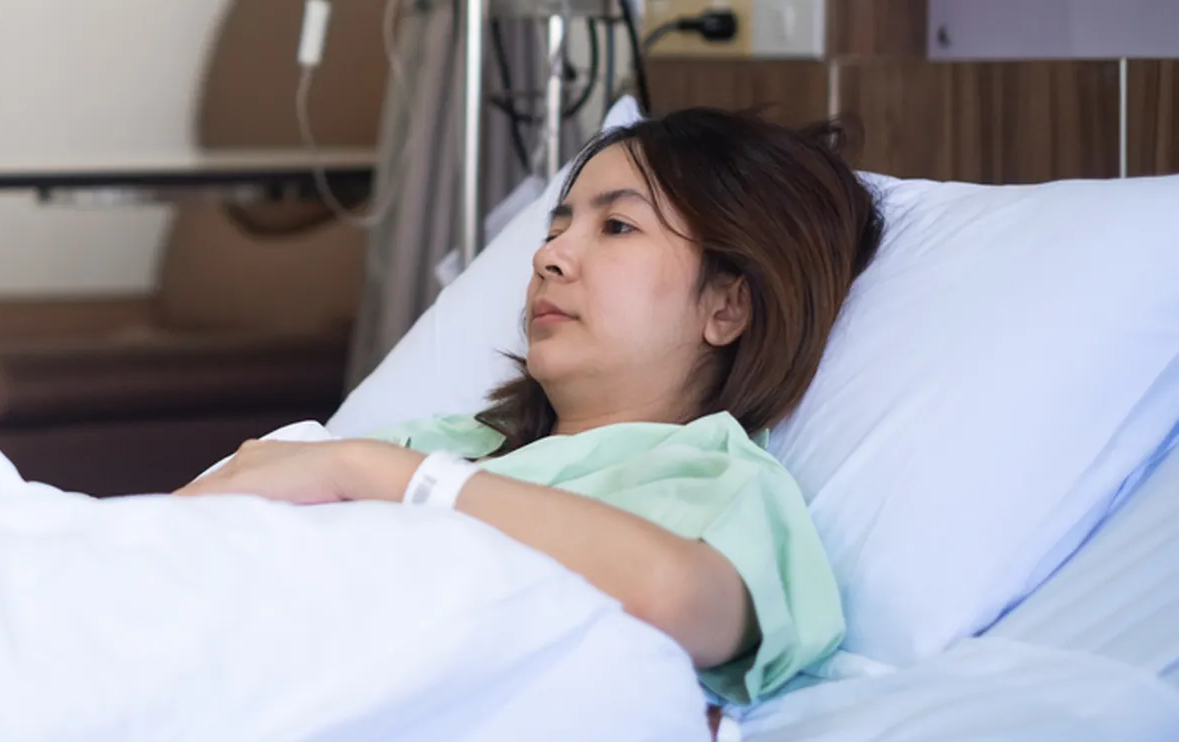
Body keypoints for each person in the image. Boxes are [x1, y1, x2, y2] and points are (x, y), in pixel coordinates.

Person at [178, 108, 884, 705]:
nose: (550, 256)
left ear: (727, 304)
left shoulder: (716, 481)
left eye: (616, 229)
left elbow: (676, 599)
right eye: (556, 228)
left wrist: (380, 475)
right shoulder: (454, 441)